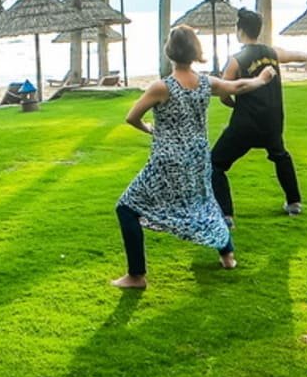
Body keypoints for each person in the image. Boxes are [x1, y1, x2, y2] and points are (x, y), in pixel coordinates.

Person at [113, 26, 276, 288]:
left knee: (126, 208)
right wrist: (262, 79)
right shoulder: (205, 82)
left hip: (168, 160)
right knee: (205, 203)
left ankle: (136, 275)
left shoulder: (161, 87)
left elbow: (132, 117)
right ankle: (228, 256)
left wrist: (149, 129)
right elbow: (238, 85)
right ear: (195, 52)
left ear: (170, 52)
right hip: (198, 158)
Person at [212, 8, 307, 222]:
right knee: (280, 156)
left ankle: (225, 215)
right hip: (272, 122)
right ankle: (294, 203)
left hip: (244, 124)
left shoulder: (236, 60)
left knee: (214, 165)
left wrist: (234, 106)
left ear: (239, 31)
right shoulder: (272, 53)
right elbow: (294, 55)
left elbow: (224, 92)